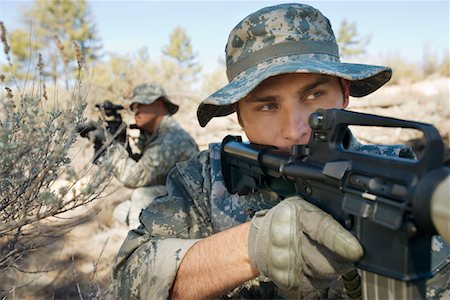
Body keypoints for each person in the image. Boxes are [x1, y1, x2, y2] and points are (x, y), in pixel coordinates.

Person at [112, 3, 450, 299]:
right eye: (268, 106)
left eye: (314, 96)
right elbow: (131, 280)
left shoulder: (399, 176)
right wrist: (250, 248)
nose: (295, 129)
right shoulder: (202, 182)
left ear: (344, 93)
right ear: (239, 116)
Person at [85, 83, 199, 228]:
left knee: (142, 196)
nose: (135, 111)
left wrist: (109, 144)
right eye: (133, 107)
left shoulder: (172, 138)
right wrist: (117, 143)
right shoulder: (157, 136)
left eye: (140, 105)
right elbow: (143, 166)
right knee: (122, 211)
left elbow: (135, 178)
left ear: (158, 104)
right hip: (181, 203)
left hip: (195, 210)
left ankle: (141, 249)